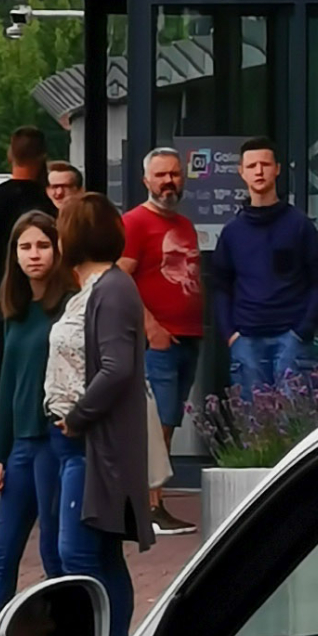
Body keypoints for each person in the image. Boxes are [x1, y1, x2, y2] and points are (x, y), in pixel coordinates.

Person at [45, 189, 154, 636]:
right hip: (78, 440)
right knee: (99, 552)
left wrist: (78, 416)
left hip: (91, 440)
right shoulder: (93, 288)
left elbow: (116, 367)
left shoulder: (110, 289)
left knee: (79, 552)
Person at [0, 211, 69, 613]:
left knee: (54, 549)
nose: (34, 255)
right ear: (14, 255)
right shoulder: (12, 311)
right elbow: (6, 383)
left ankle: (69, 633)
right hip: (20, 444)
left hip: (54, 439)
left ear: (57, 249)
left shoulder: (68, 306)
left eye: (42, 245)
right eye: (25, 247)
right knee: (2, 548)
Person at [210, 137, 318, 395]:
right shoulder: (232, 232)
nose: (259, 171)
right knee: (253, 426)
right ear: (241, 172)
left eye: (265, 164)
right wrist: (231, 334)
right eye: (252, 166)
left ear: (277, 169)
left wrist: (303, 331)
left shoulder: (299, 225)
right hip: (246, 341)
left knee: (296, 424)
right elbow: (220, 285)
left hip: (292, 341)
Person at [0, 124, 51, 462]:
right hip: (35, 303)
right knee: (31, 380)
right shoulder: (46, 205)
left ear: (10, 155)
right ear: (43, 157)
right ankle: (23, 452)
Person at [122, 145, 206, 486]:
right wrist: (150, 326)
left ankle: (153, 500)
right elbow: (120, 277)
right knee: (157, 427)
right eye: (161, 175)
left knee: (169, 421)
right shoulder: (134, 223)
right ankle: (150, 504)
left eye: (174, 174)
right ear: (146, 180)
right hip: (157, 341)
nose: (168, 181)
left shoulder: (185, 224)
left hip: (188, 336)